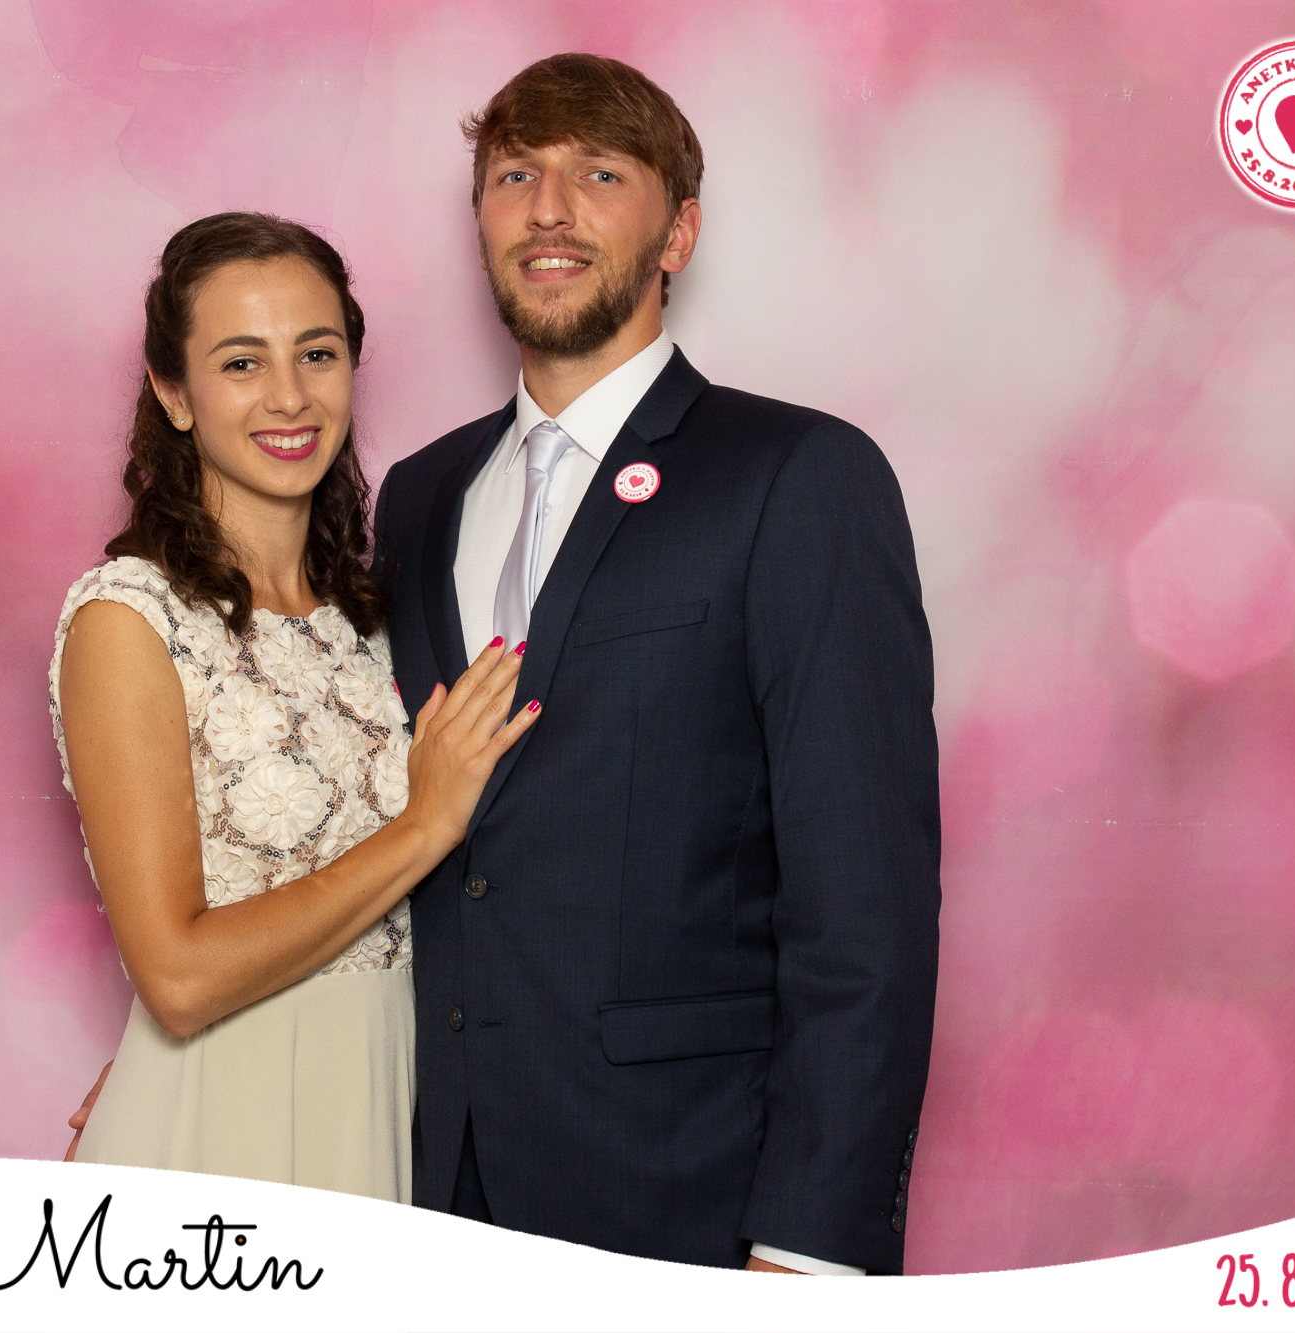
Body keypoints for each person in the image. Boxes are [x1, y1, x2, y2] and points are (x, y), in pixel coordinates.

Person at [371, 54, 941, 1273]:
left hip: (686, 1200)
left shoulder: (795, 478)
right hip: (427, 1197)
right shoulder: (415, 497)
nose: (547, 209)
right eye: (513, 176)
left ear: (677, 232)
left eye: (598, 175)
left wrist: (809, 1248)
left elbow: (863, 906)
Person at [52, 212, 537, 1201]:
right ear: (172, 392)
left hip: (396, 1109)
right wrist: (423, 825)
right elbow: (178, 978)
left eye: (317, 353)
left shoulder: (385, 615)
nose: (288, 396)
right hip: (222, 1125)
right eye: (241, 362)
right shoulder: (128, 621)